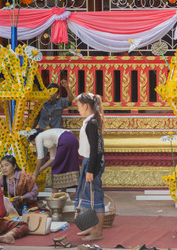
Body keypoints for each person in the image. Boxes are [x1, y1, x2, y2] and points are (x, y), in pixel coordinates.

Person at [74, 93, 105, 241]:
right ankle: (92, 227)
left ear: (85, 106)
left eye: (79, 106)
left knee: (95, 196)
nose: (78, 109)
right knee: (88, 196)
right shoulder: (91, 121)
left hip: (91, 163)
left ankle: (98, 232)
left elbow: (95, 149)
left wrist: (91, 170)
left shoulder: (92, 123)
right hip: (89, 161)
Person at [28, 128, 80, 193]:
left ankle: (54, 197)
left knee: (56, 169)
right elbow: (52, 158)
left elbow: (40, 157)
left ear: (33, 139)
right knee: (64, 168)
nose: (32, 144)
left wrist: (35, 172)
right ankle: (62, 195)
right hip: (73, 139)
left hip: (65, 141)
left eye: (31, 142)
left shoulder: (38, 137)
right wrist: (39, 170)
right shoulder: (49, 137)